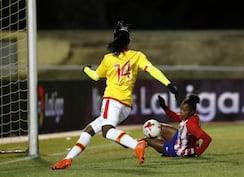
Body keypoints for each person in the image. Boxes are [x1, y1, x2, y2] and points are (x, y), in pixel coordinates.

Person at [51, 21, 179, 170]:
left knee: (107, 131)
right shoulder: (137, 56)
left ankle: (136, 144)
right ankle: (68, 159)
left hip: (112, 101)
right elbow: (152, 70)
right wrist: (168, 84)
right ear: (128, 41)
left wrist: (85, 68)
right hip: (126, 106)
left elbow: (95, 76)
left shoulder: (108, 59)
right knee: (90, 130)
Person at [143, 94, 212, 157]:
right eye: (181, 109)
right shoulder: (191, 117)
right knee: (159, 127)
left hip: (179, 150)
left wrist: (198, 152)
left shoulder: (190, 125)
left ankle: (135, 144)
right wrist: (164, 107)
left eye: (184, 111)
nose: (181, 112)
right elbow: (175, 116)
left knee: (148, 140)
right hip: (180, 140)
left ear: (192, 111)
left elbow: (207, 139)